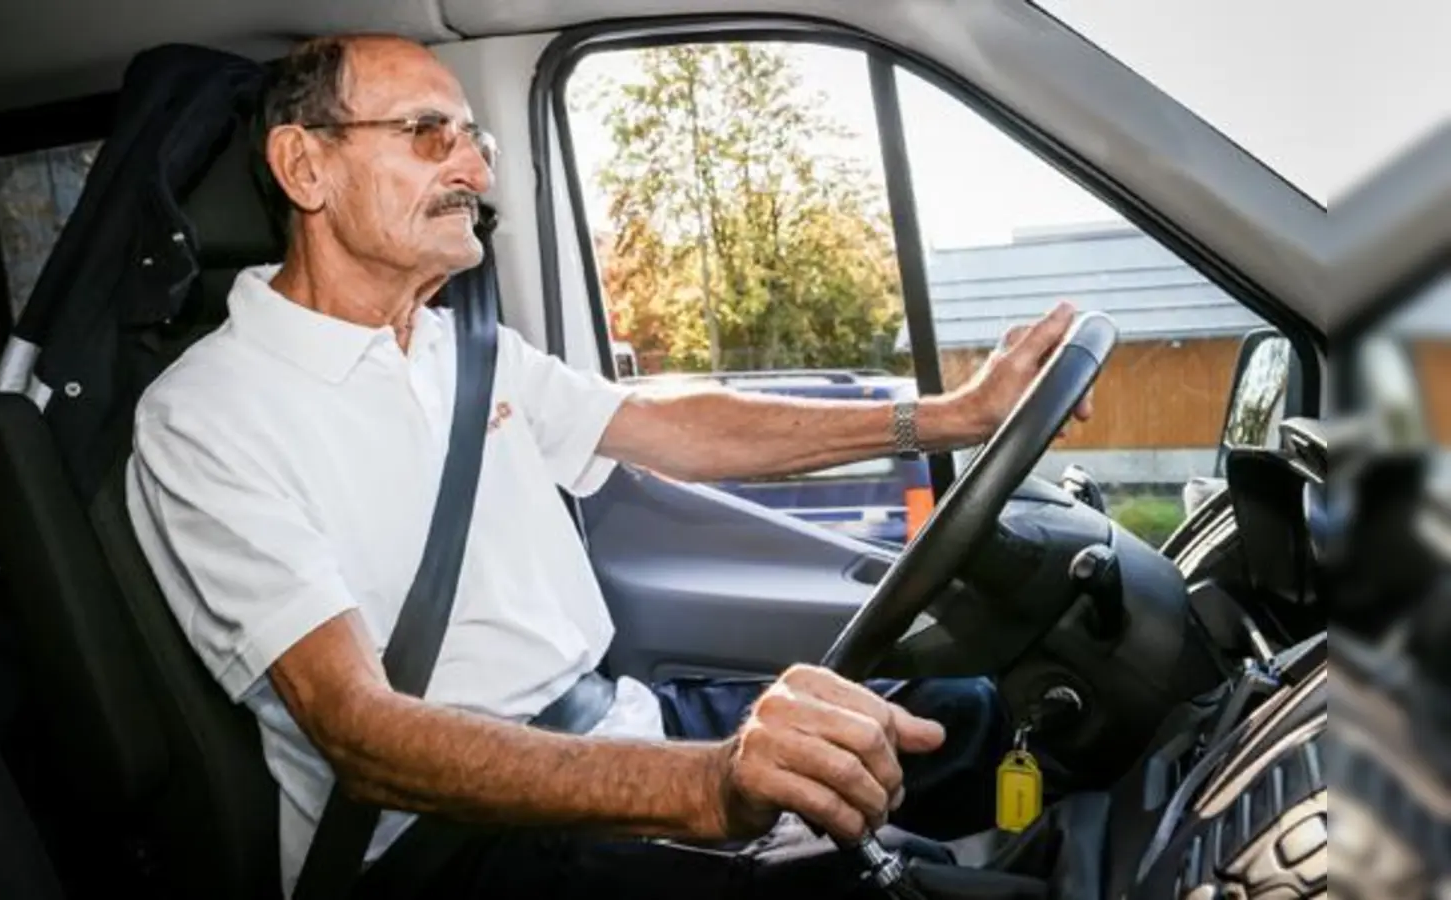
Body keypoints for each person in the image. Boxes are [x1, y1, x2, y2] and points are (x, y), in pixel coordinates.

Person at [125, 34, 1095, 900]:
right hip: (450, 843)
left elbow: (671, 427)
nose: (475, 170)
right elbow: (361, 733)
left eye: (477, 141)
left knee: (965, 717)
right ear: (305, 167)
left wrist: (949, 416)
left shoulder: (463, 347)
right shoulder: (207, 416)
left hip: (616, 717)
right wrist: (706, 787)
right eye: (429, 134)